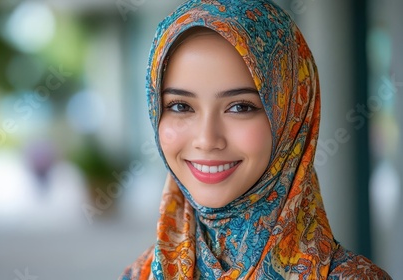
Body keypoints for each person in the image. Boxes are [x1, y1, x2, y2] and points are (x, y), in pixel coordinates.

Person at [121, 0, 392, 279]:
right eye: (180, 106)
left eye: (240, 107)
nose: (206, 139)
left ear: (292, 114)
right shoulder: (138, 274)